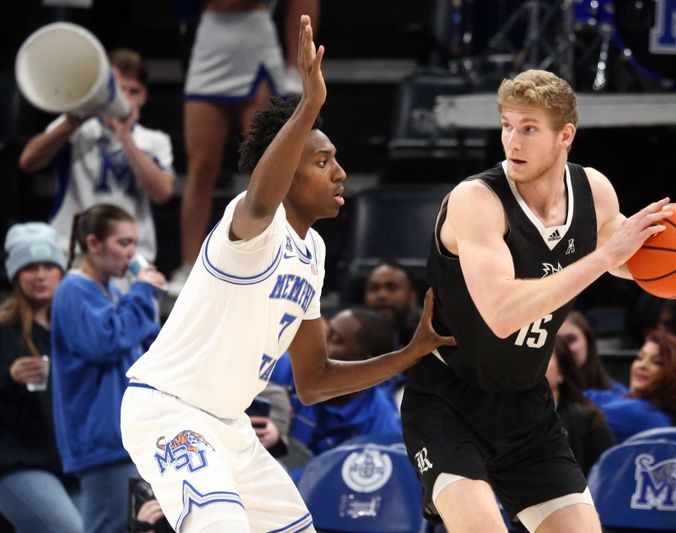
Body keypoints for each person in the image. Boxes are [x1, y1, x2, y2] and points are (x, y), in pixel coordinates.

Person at [120, 17, 452, 533]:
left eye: (337, 161)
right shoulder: (253, 226)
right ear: (287, 172)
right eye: (323, 161)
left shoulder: (312, 251)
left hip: (229, 425)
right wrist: (308, 106)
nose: (340, 172)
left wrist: (408, 354)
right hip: (170, 411)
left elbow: (315, 380)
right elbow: (260, 192)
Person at [398, 68, 676, 533]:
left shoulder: (594, 191)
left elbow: (631, 262)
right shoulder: (476, 200)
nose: (513, 141)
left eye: (529, 129)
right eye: (507, 125)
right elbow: (502, 312)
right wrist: (604, 257)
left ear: (565, 135)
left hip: (527, 405)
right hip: (449, 402)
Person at [172, 0, 320, 296]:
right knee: (201, 167)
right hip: (210, 43)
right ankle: (189, 265)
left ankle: (269, 259)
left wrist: (294, 64)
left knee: (264, 163)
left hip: (256, 45)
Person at [51, 204, 166, 533]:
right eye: (124, 243)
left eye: (134, 244)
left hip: (128, 438)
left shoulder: (114, 293)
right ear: (93, 244)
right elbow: (105, 343)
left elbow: (148, 350)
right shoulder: (72, 291)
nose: (132, 254)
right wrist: (142, 292)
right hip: (101, 442)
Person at [18, 49, 174, 263]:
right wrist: (74, 120)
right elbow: (28, 161)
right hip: (72, 251)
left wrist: (125, 137)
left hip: (132, 256)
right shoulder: (77, 128)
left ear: (144, 96)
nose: (125, 99)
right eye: (119, 90)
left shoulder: (155, 140)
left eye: (133, 92)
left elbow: (162, 192)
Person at [0, 223, 82, 533]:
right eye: (30, 267)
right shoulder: (4, 328)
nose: (40, 275)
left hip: (70, 460)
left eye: (49, 266)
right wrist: (8, 379)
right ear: (15, 274)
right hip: (17, 460)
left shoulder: (76, 326)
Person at [290, 307, 403, 454]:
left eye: (334, 339)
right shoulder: (290, 365)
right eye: (326, 332)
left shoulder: (383, 430)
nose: (320, 341)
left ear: (364, 363)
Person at [591, 331, 676, 443]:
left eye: (657, 362)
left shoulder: (639, 411)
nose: (642, 365)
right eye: (640, 358)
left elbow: (581, 418)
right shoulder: (665, 411)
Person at [545, 337, 615, 475]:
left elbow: (609, 475)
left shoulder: (588, 419)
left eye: (544, 356)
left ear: (561, 373)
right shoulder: (502, 418)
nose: (534, 365)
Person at [557, 310, 627, 396]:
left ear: (588, 341)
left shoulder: (618, 394)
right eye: (557, 343)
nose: (565, 348)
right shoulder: (544, 399)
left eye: (571, 339)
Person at [363, 261, 423, 347]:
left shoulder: (431, 332)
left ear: (412, 297)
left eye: (392, 288)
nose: (381, 295)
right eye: (374, 288)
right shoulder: (351, 331)